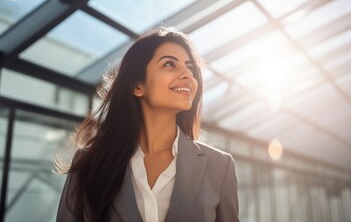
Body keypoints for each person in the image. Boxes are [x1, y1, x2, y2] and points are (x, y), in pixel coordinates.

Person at [55, 27, 239, 222]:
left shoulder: (220, 166)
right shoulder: (89, 163)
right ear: (138, 86)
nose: (188, 74)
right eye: (170, 64)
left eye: (190, 67)